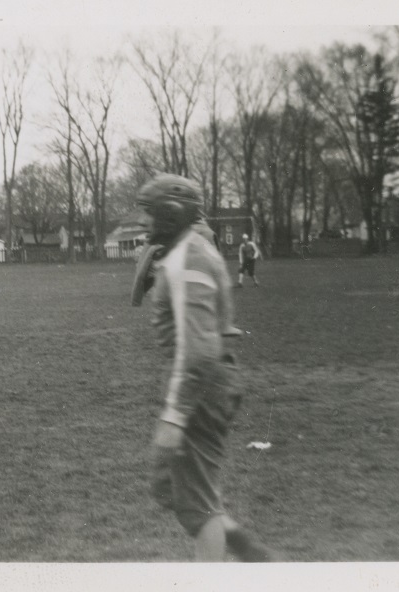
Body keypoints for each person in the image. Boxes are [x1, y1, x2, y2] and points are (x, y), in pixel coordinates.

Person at [135, 174, 276, 562]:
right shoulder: (190, 249)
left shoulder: (191, 256)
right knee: (179, 490)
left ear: (170, 213)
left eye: (148, 213)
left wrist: (176, 414)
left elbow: (197, 349)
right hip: (209, 379)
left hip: (202, 382)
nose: (143, 222)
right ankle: (245, 545)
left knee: (196, 506)